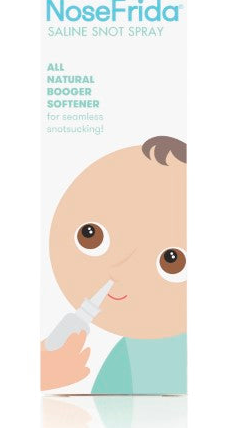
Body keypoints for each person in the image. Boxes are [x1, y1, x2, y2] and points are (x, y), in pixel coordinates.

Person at [41, 136, 186, 394]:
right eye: (91, 235)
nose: (120, 271)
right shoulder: (129, 354)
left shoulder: (156, 355)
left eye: (171, 261)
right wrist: (45, 375)